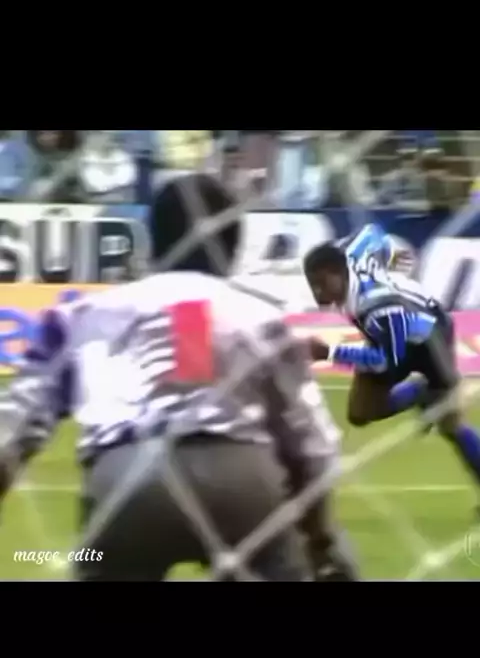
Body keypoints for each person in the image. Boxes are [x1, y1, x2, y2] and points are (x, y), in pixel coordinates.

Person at [0, 174, 357, 582]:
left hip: (125, 481)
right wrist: (321, 539)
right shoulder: (263, 316)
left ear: (152, 241)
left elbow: (15, 425)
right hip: (241, 481)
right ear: (235, 246)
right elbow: (313, 445)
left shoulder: (84, 313)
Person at [303, 241, 480, 493]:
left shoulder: (379, 308)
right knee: (360, 411)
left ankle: (427, 392)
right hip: (394, 332)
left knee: (451, 425)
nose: (317, 293)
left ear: (338, 273)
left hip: (430, 340)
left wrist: (330, 352)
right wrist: (394, 256)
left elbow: (386, 361)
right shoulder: (353, 255)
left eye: (321, 284)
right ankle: (419, 392)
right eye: (313, 285)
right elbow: (374, 235)